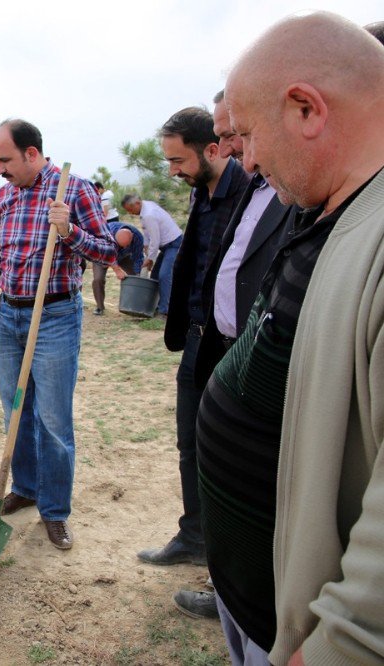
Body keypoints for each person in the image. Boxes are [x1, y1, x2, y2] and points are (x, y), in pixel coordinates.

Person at [201, 14, 384, 664]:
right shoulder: (328, 210)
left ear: (307, 108)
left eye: (248, 134)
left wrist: (340, 643)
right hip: (258, 602)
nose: (245, 159)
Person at [0, 119, 117, 550]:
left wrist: (69, 231)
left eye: (5, 160)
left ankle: (55, 510)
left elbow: (108, 250)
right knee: (15, 411)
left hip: (55, 315)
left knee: (53, 420)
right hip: (9, 316)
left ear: (31, 154)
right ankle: (25, 487)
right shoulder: (5, 197)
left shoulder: (74, 190)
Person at [171, 89, 294, 622]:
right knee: (196, 448)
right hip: (207, 341)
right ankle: (202, 547)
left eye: (233, 135)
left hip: (248, 351)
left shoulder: (282, 190)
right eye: (224, 135)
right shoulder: (236, 188)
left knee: (246, 475)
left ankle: (243, 590)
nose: (231, 146)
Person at [135, 107, 249, 568]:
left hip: (233, 349)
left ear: (214, 149)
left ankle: (229, 556)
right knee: (191, 445)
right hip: (198, 342)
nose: (172, 171)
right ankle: (194, 537)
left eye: (178, 161)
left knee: (230, 456)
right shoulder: (202, 191)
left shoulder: (250, 193)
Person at [120, 193, 182, 315]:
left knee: (164, 275)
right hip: (166, 246)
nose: (130, 213)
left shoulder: (149, 214)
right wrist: (147, 250)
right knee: (154, 275)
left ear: (137, 203)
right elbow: (148, 234)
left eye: (131, 209)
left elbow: (155, 239)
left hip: (174, 244)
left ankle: (165, 311)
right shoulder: (145, 208)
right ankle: (153, 306)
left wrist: (150, 259)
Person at [90, 221, 144, 315]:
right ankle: (100, 307)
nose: (123, 247)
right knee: (98, 279)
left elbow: (138, 257)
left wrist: (138, 272)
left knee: (136, 277)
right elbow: (107, 255)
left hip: (123, 256)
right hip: (102, 255)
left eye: (126, 246)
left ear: (131, 237)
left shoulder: (138, 237)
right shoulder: (106, 232)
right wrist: (117, 269)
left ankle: (136, 305)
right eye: (120, 245)